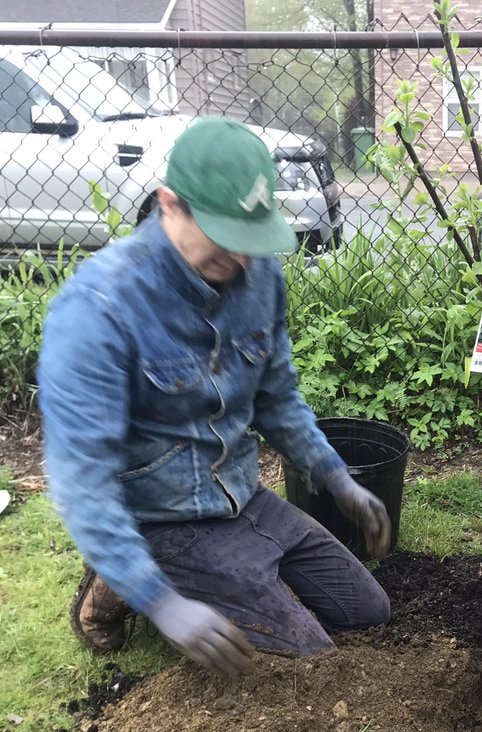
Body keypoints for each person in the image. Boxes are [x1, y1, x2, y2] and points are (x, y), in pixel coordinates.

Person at [38, 118, 390, 678]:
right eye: (228, 236)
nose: (244, 259)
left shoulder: (258, 277)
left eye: (253, 239)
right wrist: (165, 604)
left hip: (241, 496)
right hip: (162, 516)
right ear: (170, 205)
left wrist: (336, 477)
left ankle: (191, 572)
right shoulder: (98, 310)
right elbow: (83, 483)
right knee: (307, 662)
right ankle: (123, 578)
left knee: (367, 611)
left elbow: (278, 399)